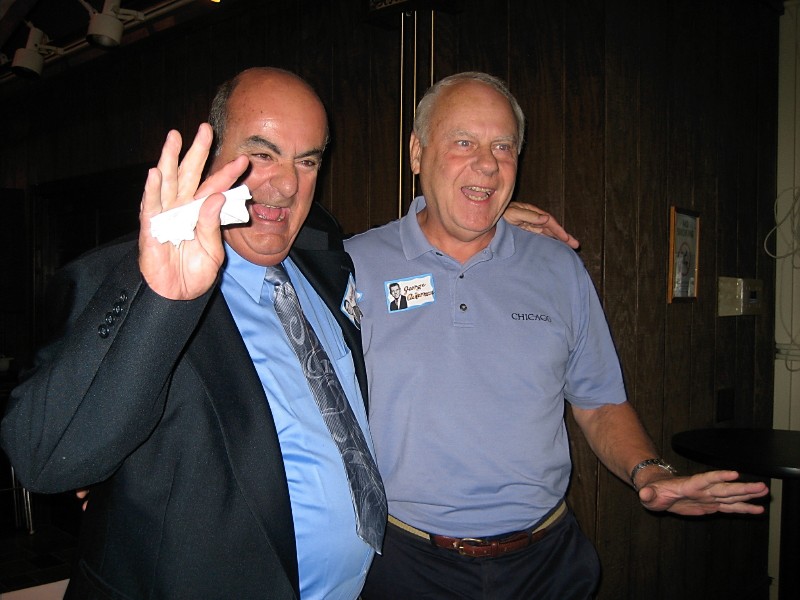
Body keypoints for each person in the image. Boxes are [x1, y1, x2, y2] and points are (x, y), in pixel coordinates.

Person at [344, 72, 770, 600]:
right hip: (407, 564)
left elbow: (599, 402)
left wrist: (650, 474)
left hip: (547, 563)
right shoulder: (352, 266)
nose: (487, 164)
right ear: (417, 151)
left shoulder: (557, 267)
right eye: (463, 142)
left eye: (503, 146)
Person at [1, 67, 382, 600]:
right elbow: (44, 459)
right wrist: (162, 302)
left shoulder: (326, 261)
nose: (287, 185)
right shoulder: (119, 277)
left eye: (307, 160)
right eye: (262, 154)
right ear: (213, 156)